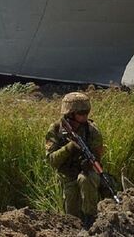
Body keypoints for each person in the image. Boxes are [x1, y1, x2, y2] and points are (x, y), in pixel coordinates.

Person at [45, 92, 103, 227]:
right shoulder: (56, 130)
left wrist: (89, 163)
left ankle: (90, 218)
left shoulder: (91, 130)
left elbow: (97, 158)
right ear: (70, 114)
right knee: (72, 216)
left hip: (85, 172)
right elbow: (52, 160)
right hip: (66, 175)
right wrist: (70, 147)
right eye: (81, 113)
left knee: (87, 179)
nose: (85, 116)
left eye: (87, 112)